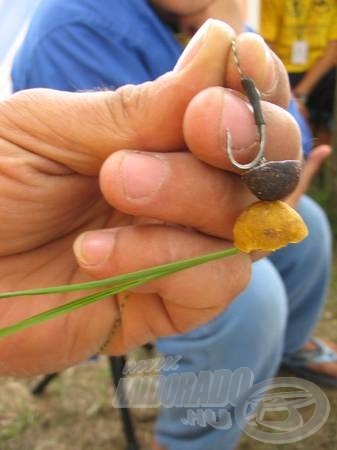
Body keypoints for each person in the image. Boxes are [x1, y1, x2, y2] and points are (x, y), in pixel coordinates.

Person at [10, 1, 336, 449]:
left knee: (309, 227)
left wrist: (233, 33)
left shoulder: (189, 16)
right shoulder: (78, 25)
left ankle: (289, 350)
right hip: (95, 233)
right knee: (253, 299)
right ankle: (191, 440)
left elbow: (290, 146)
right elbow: (131, 173)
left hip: (185, 206)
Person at [260, 0, 337, 144]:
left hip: (321, 70)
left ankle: (318, 158)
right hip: (285, 69)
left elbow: (333, 49)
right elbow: (268, 44)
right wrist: (288, 92)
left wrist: (300, 95)